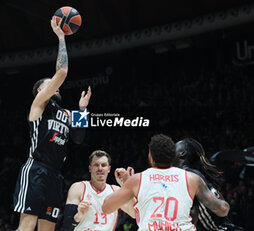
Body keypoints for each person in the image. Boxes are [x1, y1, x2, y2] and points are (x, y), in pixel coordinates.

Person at [13, 17, 92, 231]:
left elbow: (79, 138)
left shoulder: (66, 113)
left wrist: (82, 111)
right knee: (27, 225)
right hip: (36, 169)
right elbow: (63, 73)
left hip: (55, 175)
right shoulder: (38, 104)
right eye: (50, 84)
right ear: (41, 90)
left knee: (48, 228)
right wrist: (61, 37)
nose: (56, 86)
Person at [102, 133, 230, 231]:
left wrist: (129, 186)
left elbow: (192, 214)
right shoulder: (191, 178)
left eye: (175, 146)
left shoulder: (188, 177)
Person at [175, 138, 244, 231]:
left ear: (182, 153)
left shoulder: (185, 175)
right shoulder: (195, 175)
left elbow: (193, 210)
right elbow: (221, 201)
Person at [63, 150, 135, 231]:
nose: (100, 168)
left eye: (103, 165)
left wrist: (126, 186)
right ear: (90, 168)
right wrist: (79, 216)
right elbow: (67, 226)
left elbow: (135, 214)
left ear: (109, 169)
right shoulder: (78, 188)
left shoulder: (115, 191)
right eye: (96, 165)